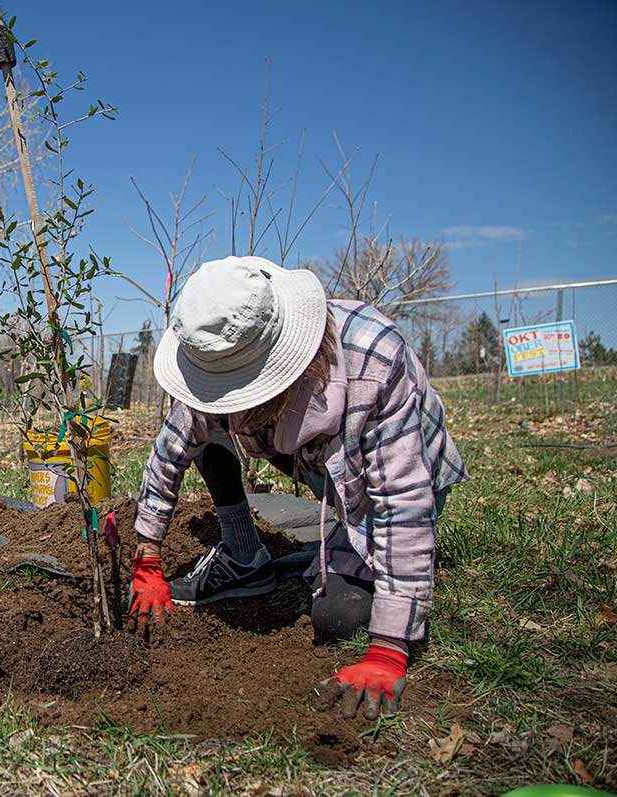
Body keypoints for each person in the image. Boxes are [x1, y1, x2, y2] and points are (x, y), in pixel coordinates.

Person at [128, 255, 467, 720]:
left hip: (389, 471)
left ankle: (345, 543)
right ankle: (246, 557)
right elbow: (170, 451)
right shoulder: (219, 350)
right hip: (312, 452)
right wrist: (147, 556)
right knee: (205, 432)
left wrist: (390, 648)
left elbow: (401, 501)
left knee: (340, 615)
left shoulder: (373, 358)